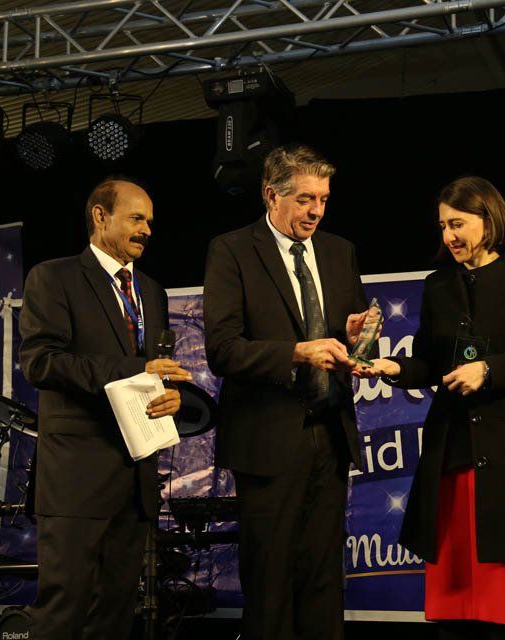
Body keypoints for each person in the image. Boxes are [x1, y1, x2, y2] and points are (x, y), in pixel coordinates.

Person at [359, 176, 505, 639]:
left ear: (488, 217)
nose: (448, 237)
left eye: (457, 224)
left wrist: (490, 370)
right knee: (453, 609)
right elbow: (428, 365)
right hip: (452, 455)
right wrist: (393, 369)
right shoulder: (439, 285)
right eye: (442, 226)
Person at [203, 144, 375, 640]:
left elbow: (348, 342)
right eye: (303, 199)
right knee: (272, 582)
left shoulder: (340, 252)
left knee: (324, 580)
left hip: (330, 433)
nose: (316, 211)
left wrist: (357, 334)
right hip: (268, 439)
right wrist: (296, 352)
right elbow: (223, 349)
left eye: (322, 199)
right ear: (270, 194)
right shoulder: (233, 250)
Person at [19, 177, 191, 639]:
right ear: (100, 217)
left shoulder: (151, 291)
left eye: (150, 222)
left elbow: (149, 375)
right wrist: (134, 368)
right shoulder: (53, 278)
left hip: (134, 484)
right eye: (137, 218)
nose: (147, 230)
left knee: (114, 615)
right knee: (64, 609)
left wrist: (168, 397)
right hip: (76, 480)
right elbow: (41, 362)